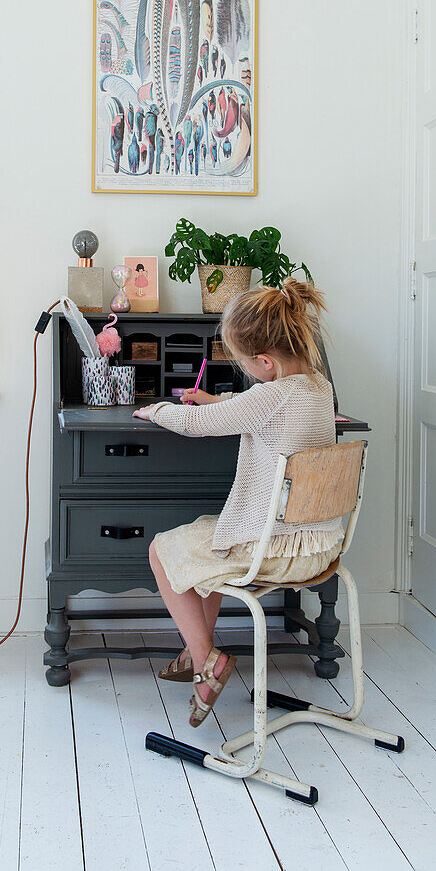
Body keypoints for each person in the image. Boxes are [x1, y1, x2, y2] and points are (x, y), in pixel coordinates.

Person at [132, 278, 339, 727]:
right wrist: (221, 398)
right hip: (320, 542)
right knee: (209, 541)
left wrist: (157, 410)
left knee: (163, 552)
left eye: (245, 364)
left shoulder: (270, 396)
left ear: (264, 362)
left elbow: (198, 423)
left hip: (275, 547)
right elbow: (254, 406)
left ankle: (208, 661)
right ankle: (194, 649)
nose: (245, 371)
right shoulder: (318, 387)